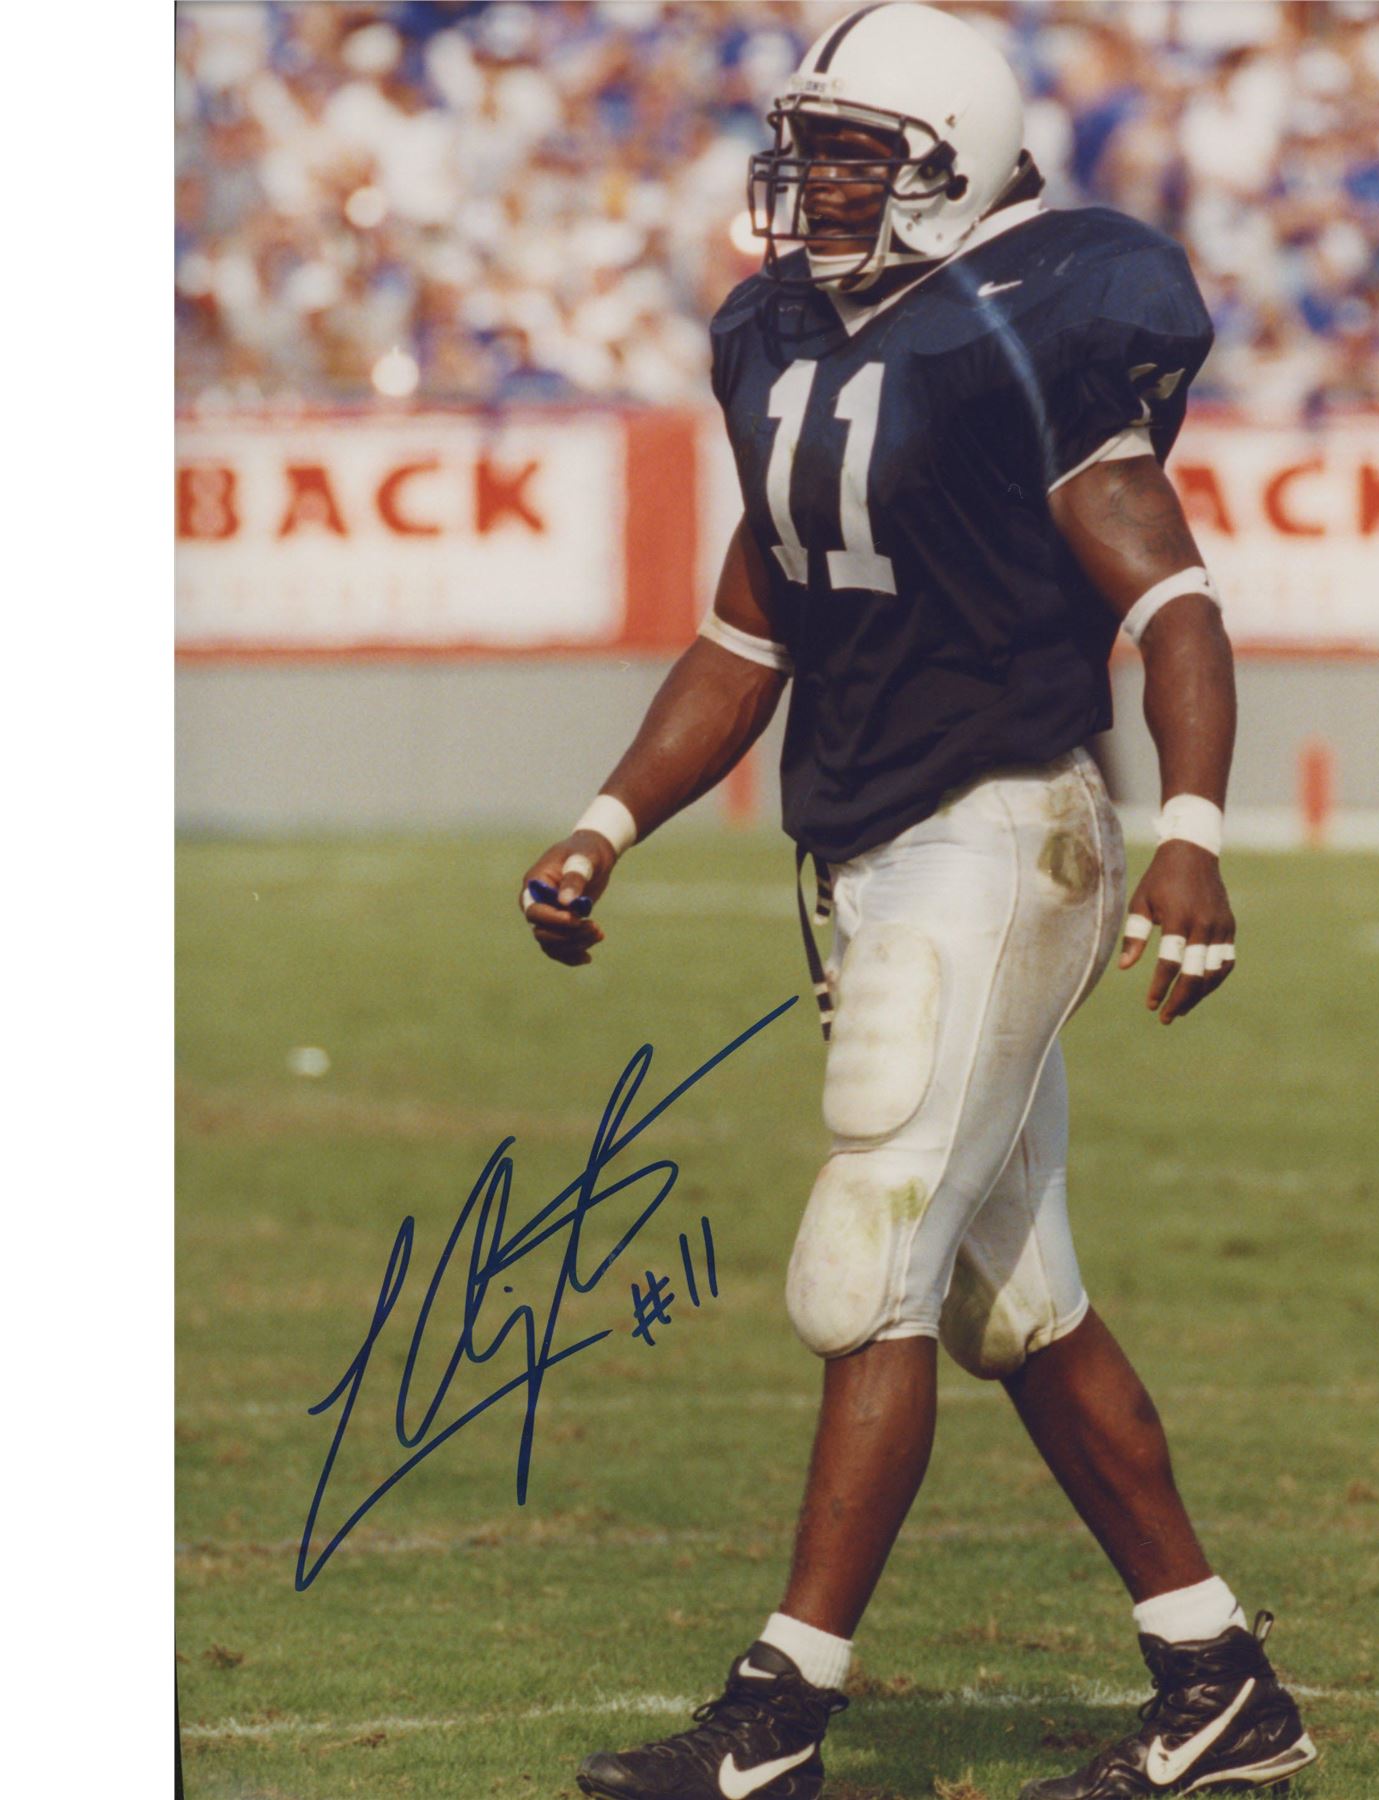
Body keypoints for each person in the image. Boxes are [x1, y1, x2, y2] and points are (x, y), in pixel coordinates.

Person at [520, 7, 1316, 1796]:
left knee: (862, 1251)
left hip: (1005, 827)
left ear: (950, 164)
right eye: (805, 149)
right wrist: (607, 820)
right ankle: (1220, 1685)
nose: (813, 185)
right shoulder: (778, 334)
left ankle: (778, 1717)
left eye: (855, 155)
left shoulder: (1030, 329)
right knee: (1010, 1305)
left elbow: (1173, 606)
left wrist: (1191, 826)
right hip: (869, 849)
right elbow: (747, 632)